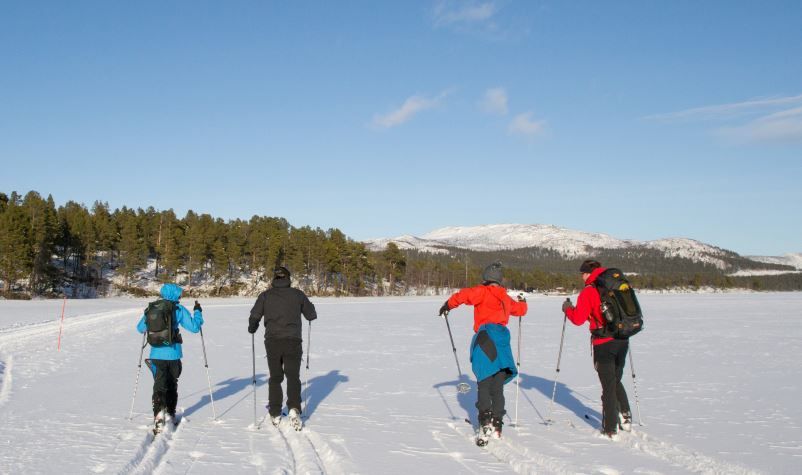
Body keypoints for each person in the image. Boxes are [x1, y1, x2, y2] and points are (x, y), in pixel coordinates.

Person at [438, 262, 527, 439]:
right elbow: (520, 310)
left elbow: (464, 295)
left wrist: (448, 305)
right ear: (499, 280)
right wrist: (523, 301)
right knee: (498, 387)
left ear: (486, 278)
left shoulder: (482, 291)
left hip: (486, 340)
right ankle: (497, 422)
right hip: (502, 341)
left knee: (484, 383)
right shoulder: (505, 297)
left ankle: (485, 421)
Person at [562, 259, 632, 438]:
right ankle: (626, 415)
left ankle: (610, 428)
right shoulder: (615, 285)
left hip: (603, 343)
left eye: (582, 274)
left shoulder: (589, 291)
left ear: (587, 273)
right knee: (616, 379)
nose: (582, 277)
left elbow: (578, 318)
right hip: (622, 339)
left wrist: (568, 309)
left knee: (608, 385)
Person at [248, 266, 317, 430]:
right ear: (288, 278)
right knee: (293, 376)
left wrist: (252, 327)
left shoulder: (265, 295)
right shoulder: (297, 294)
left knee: (275, 377)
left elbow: (254, 316)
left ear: (274, 278)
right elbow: (311, 315)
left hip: (272, 342)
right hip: (293, 341)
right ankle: (294, 409)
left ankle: (275, 412)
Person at [136, 283, 204, 431]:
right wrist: (198, 312)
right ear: (176, 295)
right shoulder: (178, 309)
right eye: (180, 294)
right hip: (173, 354)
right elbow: (194, 327)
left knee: (159, 384)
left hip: (156, 354)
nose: (181, 296)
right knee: (172, 383)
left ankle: (159, 413)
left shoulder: (152, 308)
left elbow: (140, 328)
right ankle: (170, 413)